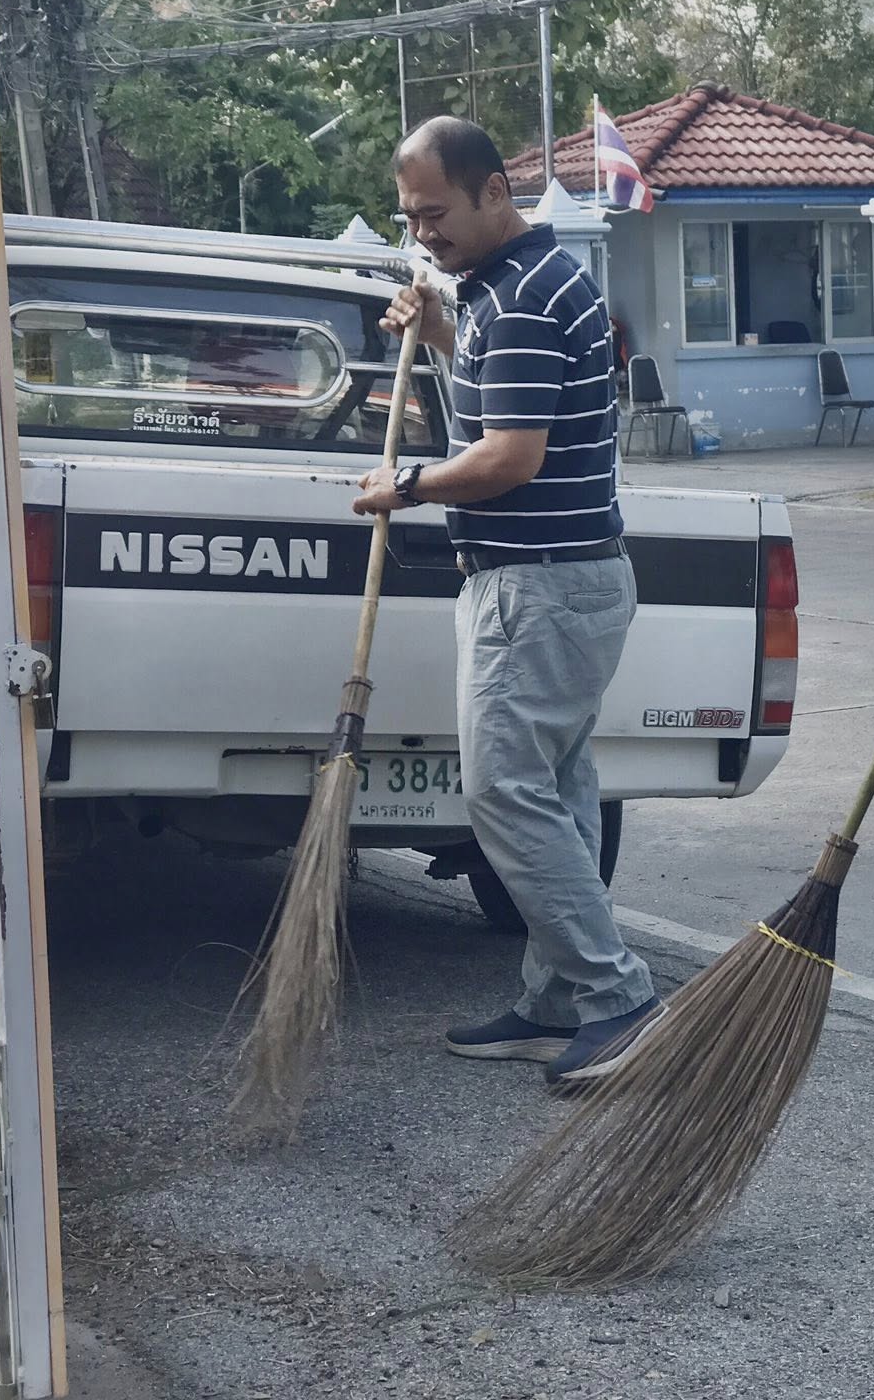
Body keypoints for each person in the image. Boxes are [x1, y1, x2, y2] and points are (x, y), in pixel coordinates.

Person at [354, 116, 663, 1088]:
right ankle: (556, 1002)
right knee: (557, 792)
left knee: (503, 794)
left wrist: (405, 486)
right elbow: (505, 395)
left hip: (537, 586)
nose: (423, 234)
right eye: (409, 219)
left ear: (494, 191)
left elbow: (510, 457)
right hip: (560, 582)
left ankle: (618, 999)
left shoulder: (524, 294)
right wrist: (441, 332)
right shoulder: (510, 287)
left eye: (434, 212)